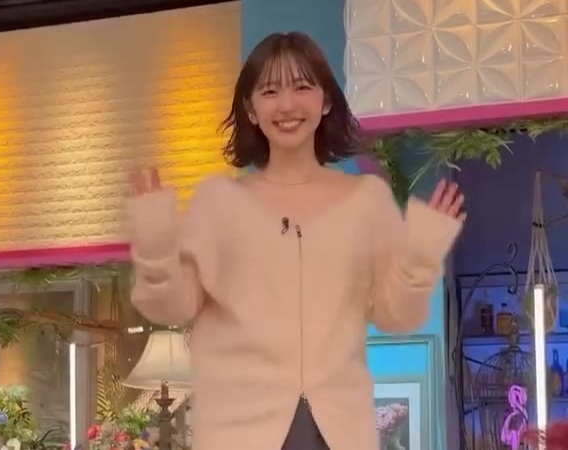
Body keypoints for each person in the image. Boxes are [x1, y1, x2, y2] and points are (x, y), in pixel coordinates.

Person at [126, 32, 465, 450]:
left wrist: (422, 254)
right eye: (270, 91)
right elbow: (174, 306)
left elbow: (395, 315)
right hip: (238, 431)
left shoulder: (366, 200)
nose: (287, 105)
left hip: (338, 432)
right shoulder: (219, 201)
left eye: (302, 87)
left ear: (326, 101)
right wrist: (156, 246)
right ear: (251, 109)